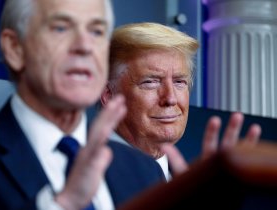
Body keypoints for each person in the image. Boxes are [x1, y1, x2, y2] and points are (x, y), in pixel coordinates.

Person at [0, 2, 165, 210]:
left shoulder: (145, 172)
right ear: (15, 48)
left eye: (97, 31)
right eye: (61, 28)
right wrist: (63, 204)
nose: (85, 46)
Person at [100, 22, 261, 180]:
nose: (170, 98)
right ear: (109, 95)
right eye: (150, 82)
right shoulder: (84, 174)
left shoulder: (200, 179)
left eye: (179, 82)